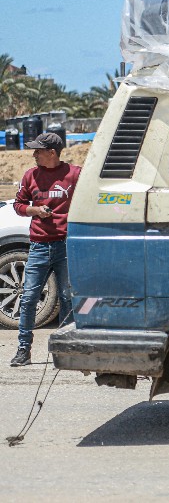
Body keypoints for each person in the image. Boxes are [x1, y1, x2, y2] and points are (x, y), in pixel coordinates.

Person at [10, 133, 81, 367]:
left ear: (52, 152)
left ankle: (67, 350)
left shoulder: (75, 174)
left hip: (66, 245)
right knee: (29, 298)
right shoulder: (30, 175)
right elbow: (19, 205)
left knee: (67, 298)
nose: (34, 154)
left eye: (38, 151)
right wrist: (35, 211)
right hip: (39, 246)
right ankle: (23, 350)